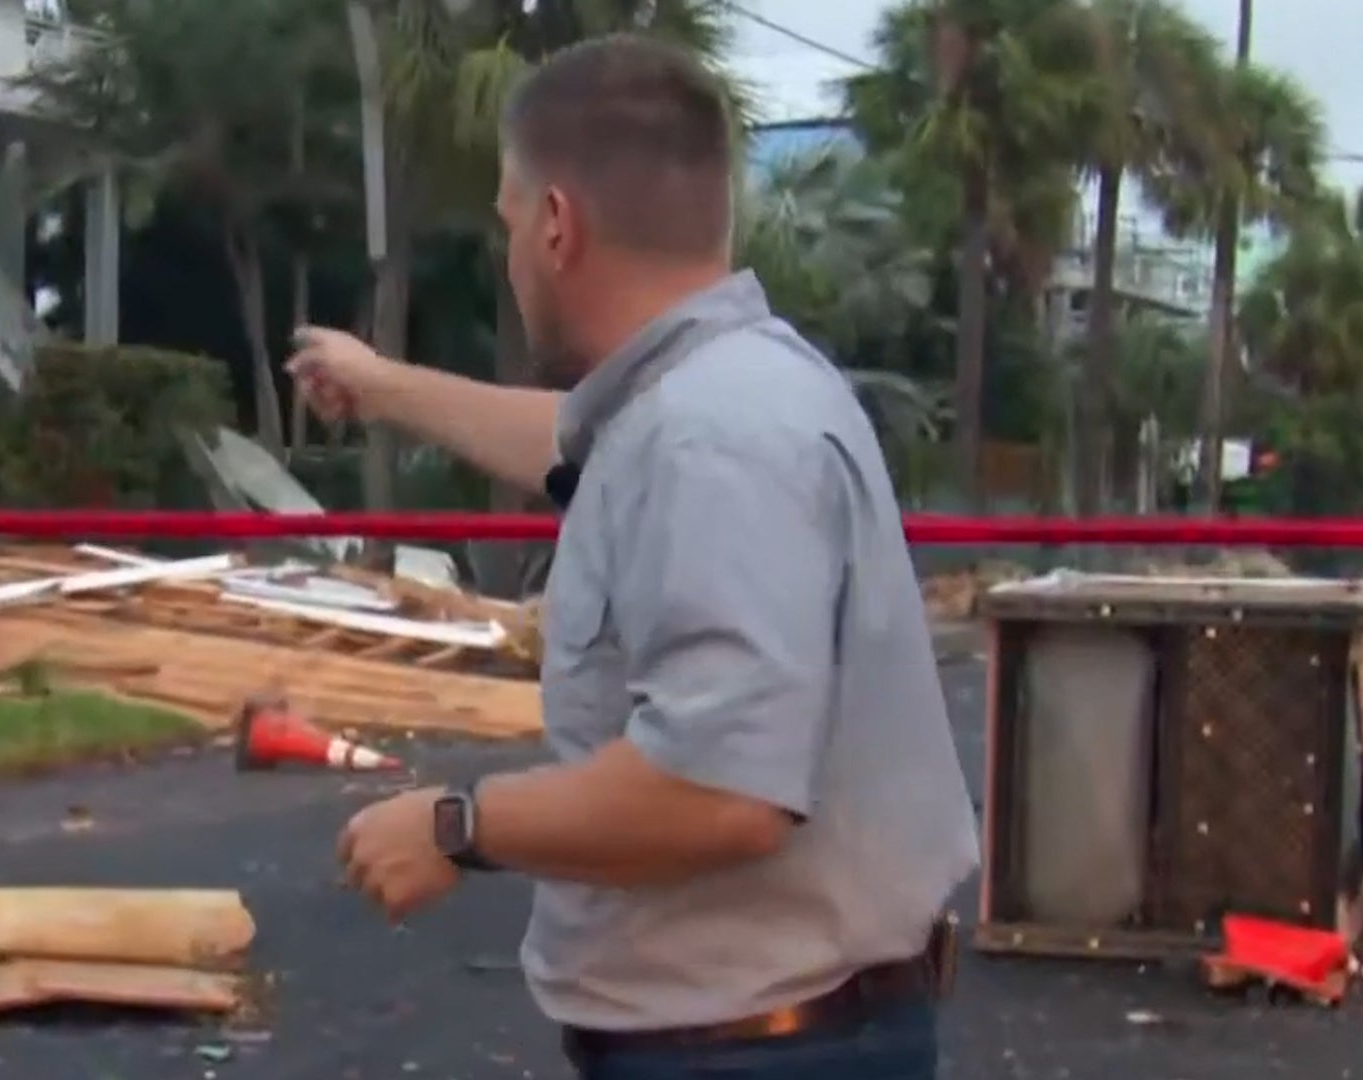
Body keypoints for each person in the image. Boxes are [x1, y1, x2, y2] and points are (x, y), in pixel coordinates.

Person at [288, 33, 980, 1080]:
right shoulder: (720, 397)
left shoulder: (711, 438)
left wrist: (457, 825)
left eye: (513, 221)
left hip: (759, 1052)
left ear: (558, 225)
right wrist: (382, 386)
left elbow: (720, 792)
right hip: (788, 1033)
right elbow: (574, 443)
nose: (512, 251)